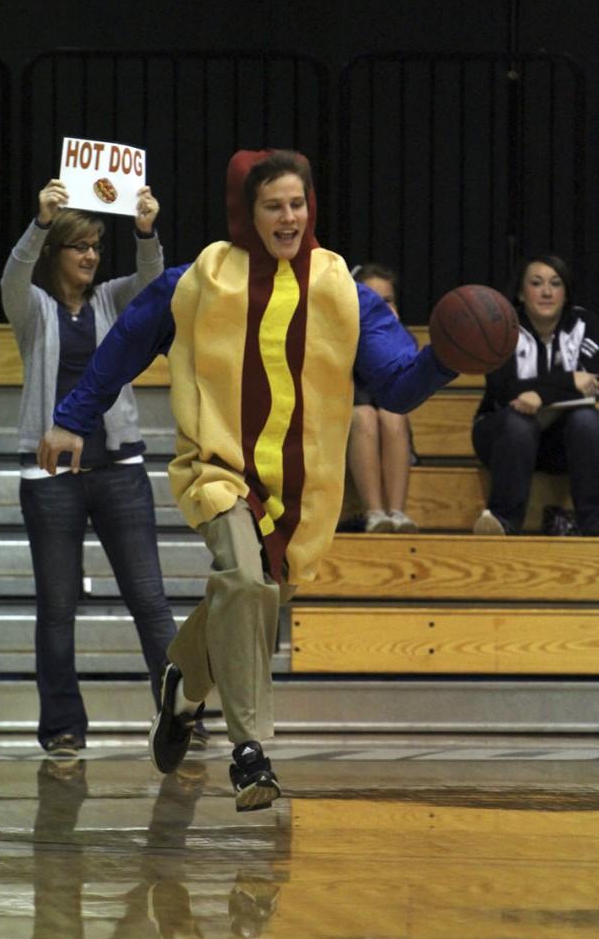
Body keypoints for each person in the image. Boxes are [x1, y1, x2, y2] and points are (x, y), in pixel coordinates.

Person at [36, 149, 456, 809]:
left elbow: (398, 390)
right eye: (273, 205)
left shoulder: (341, 288)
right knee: (241, 577)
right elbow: (125, 346)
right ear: (245, 212)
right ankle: (251, 753)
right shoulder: (201, 278)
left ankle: (183, 684)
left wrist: (447, 358)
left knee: (252, 597)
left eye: (298, 203)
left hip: (304, 488)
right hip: (219, 467)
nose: (289, 216)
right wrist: (71, 419)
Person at [1, 179, 206, 757]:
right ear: (55, 254)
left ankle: (181, 716)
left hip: (119, 470)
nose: (91, 255)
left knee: (149, 599)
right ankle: (63, 728)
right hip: (50, 480)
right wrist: (40, 221)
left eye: (96, 245)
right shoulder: (33, 307)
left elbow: (154, 283)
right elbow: (13, 277)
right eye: (80, 245)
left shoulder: (114, 300)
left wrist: (145, 231)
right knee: (57, 609)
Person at [472, 252, 599, 535]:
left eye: (555, 284)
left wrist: (540, 394)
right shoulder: (501, 328)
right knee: (519, 422)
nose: (546, 292)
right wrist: (568, 381)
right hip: (501, 436)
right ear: (520, 291)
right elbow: (503, 391)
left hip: (563, 444)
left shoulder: (586, 325)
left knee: (587, 419)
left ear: (566, 292)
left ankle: (594, 526)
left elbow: (591, 384)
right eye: (536, 283)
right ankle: (503, 522)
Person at [347, 263, 419, 533]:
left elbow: (405, 390)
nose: (381, 309)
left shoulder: (403, 341)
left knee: (392, 412)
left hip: (388, 431)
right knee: (363, 414)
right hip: (343, 435)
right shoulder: (337, 340)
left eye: (387, 301)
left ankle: (397, 513)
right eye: (372, 302)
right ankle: (375, 513)